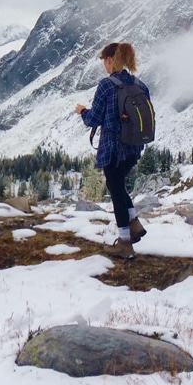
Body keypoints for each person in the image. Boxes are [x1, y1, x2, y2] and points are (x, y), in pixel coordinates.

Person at [75, 42, 148, 259]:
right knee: (117, 185)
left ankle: (125, 243)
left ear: (110, 60)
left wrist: (82, 111)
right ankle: (133, 223)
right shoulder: (140, 84)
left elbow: (94, 119)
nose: (104, 66)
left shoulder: (106, 85)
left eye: (104, 61)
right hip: (133, 147)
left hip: (112, 148)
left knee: (116, 191)